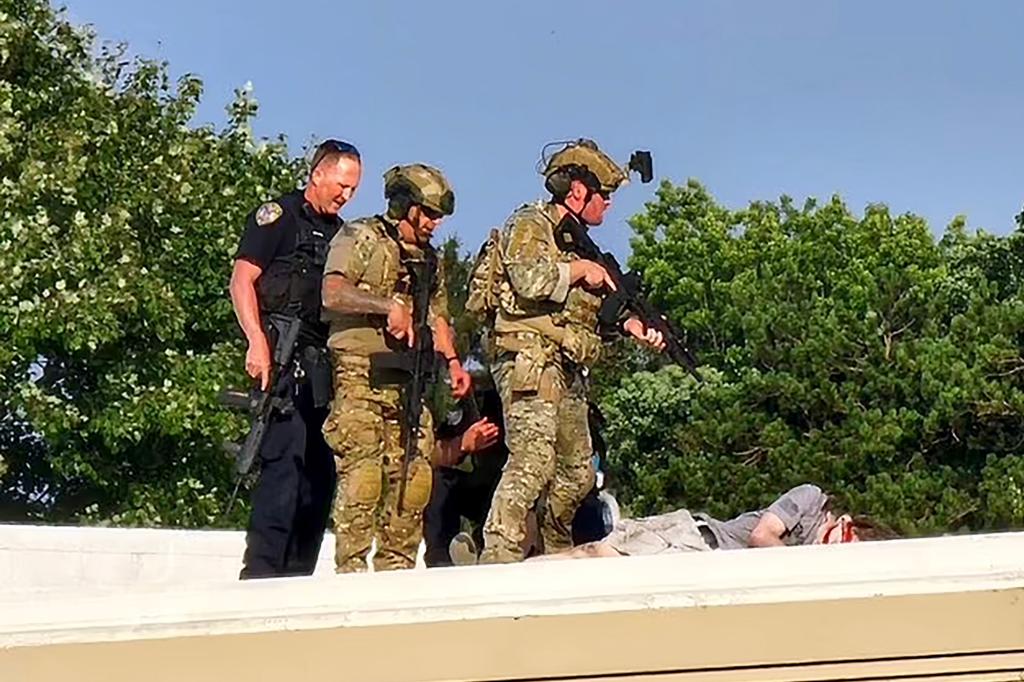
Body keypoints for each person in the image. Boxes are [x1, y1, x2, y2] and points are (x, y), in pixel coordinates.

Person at [474, 139, 665, 563]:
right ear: (578, 191)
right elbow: (528, 280)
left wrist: (634, 325)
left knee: (579, 473)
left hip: (567, 365)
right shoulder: (531, 222)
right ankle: (497, 557)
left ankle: (553, 551)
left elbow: (589, 316)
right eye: (606, 196)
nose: (609, 206)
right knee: (533, 459)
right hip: (529, 356)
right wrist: (581, 270)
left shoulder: (580, 243)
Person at [320, 163, 471, 573]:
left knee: (413, 481)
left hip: (410, 379)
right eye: (430, 213)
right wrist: (387, 306)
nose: (435, 224)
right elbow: (332, 293)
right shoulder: (362, 236)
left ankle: (397, 576)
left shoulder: (430, 260)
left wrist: (453, 363)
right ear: (406, 206)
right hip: (361, 373)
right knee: (363, 478)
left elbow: (439, 318)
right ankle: (349, 573)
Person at [229, 139, 363, 579]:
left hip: (325, 370)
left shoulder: (345, 237)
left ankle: (297, 578)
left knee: (320, 479)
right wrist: (255, 341)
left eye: (353, 189)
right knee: (284, 470)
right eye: (342, 184)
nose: (346, 195)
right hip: (282, 361)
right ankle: (261, 575)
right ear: (319, 174)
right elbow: (242, 280)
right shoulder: (278, 218)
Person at [538, 484, 896, 559]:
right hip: (694, 539)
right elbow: (761, 535)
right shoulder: (810, 499)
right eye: (846, 539)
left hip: (701, 561)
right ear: (845, 521)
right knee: (590, 559)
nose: (836, 548)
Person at [422, 377, 505, 568]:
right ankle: (440, 560)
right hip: (473, 486)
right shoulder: (451, 391)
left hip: (507, 489)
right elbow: (429, 456)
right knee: (437, 480)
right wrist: (463, 444)